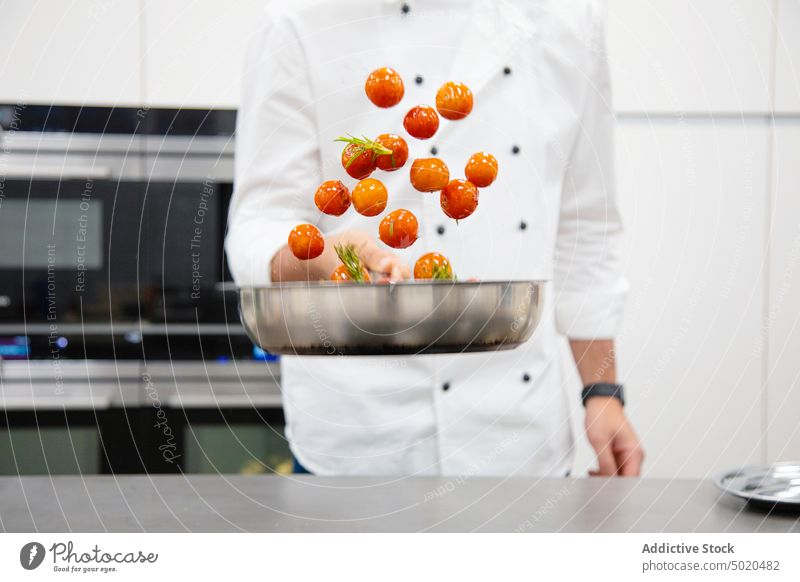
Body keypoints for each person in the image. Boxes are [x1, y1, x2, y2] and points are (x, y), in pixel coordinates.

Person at [226, 0, 644, 477]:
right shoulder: (297, 19)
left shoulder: (570, 17)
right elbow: (260, 222)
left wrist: (602, 391)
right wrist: (326, 258)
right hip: (356, 427)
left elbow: (585, 222)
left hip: (517, 423)